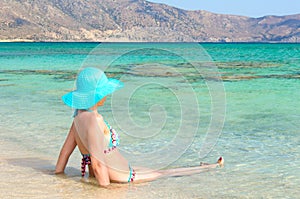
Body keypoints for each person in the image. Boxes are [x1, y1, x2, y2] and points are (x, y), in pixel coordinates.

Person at [55, 67, 224, 187]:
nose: (106, 95)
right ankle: (211, 167)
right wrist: (105, 191)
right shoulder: (93, 120)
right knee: (164, 173)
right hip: (122, 176)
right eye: (104, 91)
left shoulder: (77, 118)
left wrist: (58, 176)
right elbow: (98, 164)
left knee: (160, 170)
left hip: (121, 171)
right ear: (96, 95)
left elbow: (65, 152)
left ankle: (206, 167)